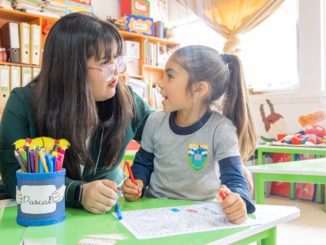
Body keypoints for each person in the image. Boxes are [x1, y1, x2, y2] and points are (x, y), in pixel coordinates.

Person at [0, 12, 152, 214]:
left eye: (117, 59)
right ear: (73, 69)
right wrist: (78, 192)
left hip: (110, 216)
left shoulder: (126, 98)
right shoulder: (23, 103)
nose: (116, 71)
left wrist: (142, 175)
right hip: (42, 218)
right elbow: (15, 177)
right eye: (105, 62)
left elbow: (163, 136)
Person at [122, 45, 257, 224]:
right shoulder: (154, 121)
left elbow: (234, 177)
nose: (159, 83)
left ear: (199, 89)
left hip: (199, 214)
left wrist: (238, 201)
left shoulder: (221, 129)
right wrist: (136, 183)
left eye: (169, 76)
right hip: (153, 211)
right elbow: (143, 164)